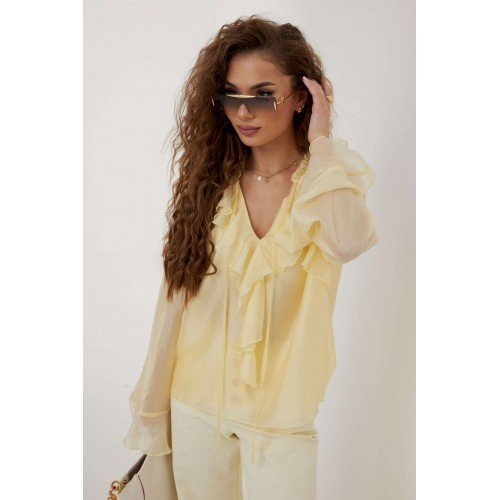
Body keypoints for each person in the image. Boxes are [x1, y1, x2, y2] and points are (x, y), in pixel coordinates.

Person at [123, 14, 378, 500]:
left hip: (281, 414)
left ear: (302, 96)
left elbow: (348, 242)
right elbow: (173, 303)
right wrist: (153, 405)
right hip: (196, 402)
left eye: (263, 95)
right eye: (231, 95)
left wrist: (321, 141)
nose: (243, 111)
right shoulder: (209, 185)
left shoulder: (325, 180)